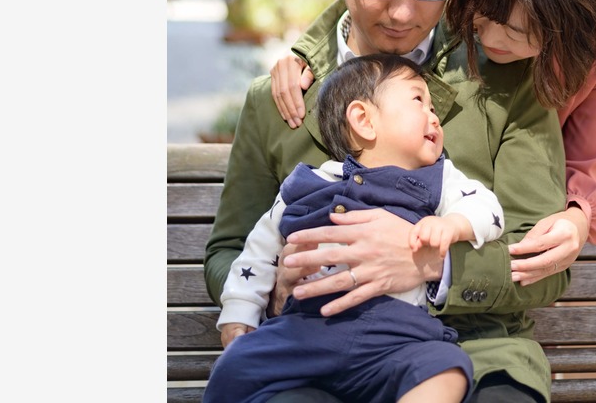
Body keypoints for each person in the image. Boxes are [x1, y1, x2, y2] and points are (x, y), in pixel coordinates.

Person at [204, 0, 569, 403]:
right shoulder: (276, 98)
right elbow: (229, 248)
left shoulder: (509, 82)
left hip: (472, 350)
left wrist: (429, 263)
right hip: (310, 347)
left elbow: (543, 263)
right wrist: (272, 288)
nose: (403, 11)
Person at [270, 0, 596, 289]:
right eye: (487, 14)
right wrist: (309, 50)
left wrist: (577, 214)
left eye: (523, 33)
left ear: (568, 27)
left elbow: (588, 160)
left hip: (515, 205)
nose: (492, 39)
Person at [204, 54, 504, 403]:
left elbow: (487, 208)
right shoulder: (307, 184)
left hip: (396, 337)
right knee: (233, 367)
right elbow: (257, 253)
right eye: (418, 99)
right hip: (305, 332)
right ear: (363, 119)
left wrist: (453, 224)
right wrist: (239, 316)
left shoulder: (439, 179)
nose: (434, 115)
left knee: (447, 367)